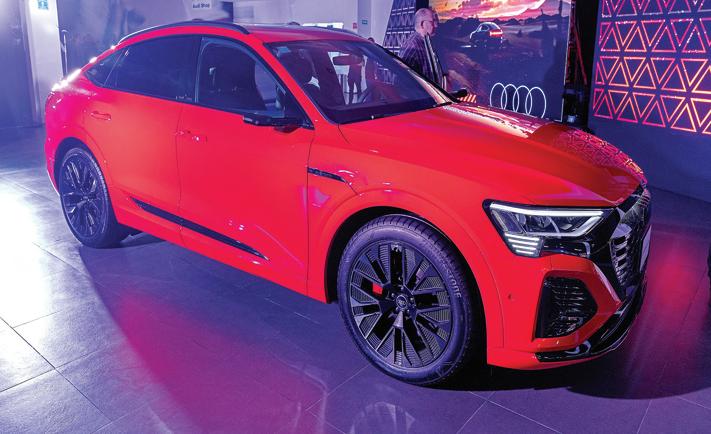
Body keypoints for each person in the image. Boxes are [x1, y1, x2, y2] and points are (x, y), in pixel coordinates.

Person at [399, 7, 445, 87]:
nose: (436, 25)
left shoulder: (425, 43)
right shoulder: (412, 47)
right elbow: (402, 83)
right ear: (422, 24)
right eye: (433, 21)